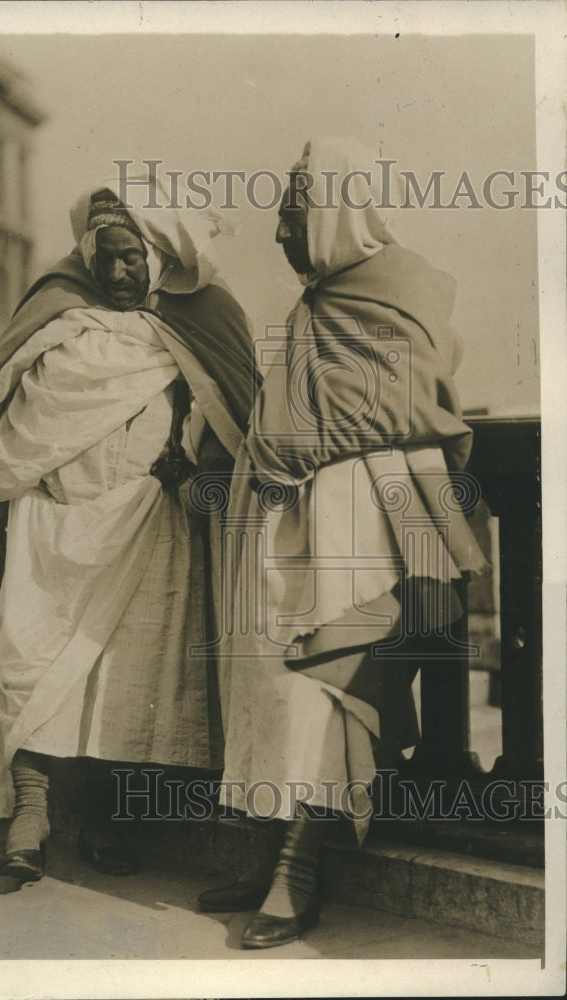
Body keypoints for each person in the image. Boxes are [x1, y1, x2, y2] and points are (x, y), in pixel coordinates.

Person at [197, 137, 487, 948]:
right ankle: (262, 855)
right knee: (259, 688)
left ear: (330, 215)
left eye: (292, 217)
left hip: (353, 521)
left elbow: (418, 417)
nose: (281, 236)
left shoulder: (400, 295)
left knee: (317, 693)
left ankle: (297, 878)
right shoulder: (314, 303)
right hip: (269, 519)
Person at [0, 168, 257, 882]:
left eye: (131, 256)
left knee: (123, 679)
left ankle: (106, 816)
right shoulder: (55, 317)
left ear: (158, 255)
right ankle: (30, 812)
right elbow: (0, 414)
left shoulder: (196, 322)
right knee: (28, 666)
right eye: (105, 254)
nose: (116, 270)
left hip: (146, 525)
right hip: (46, 522)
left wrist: (191, 463)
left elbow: (234, 421)